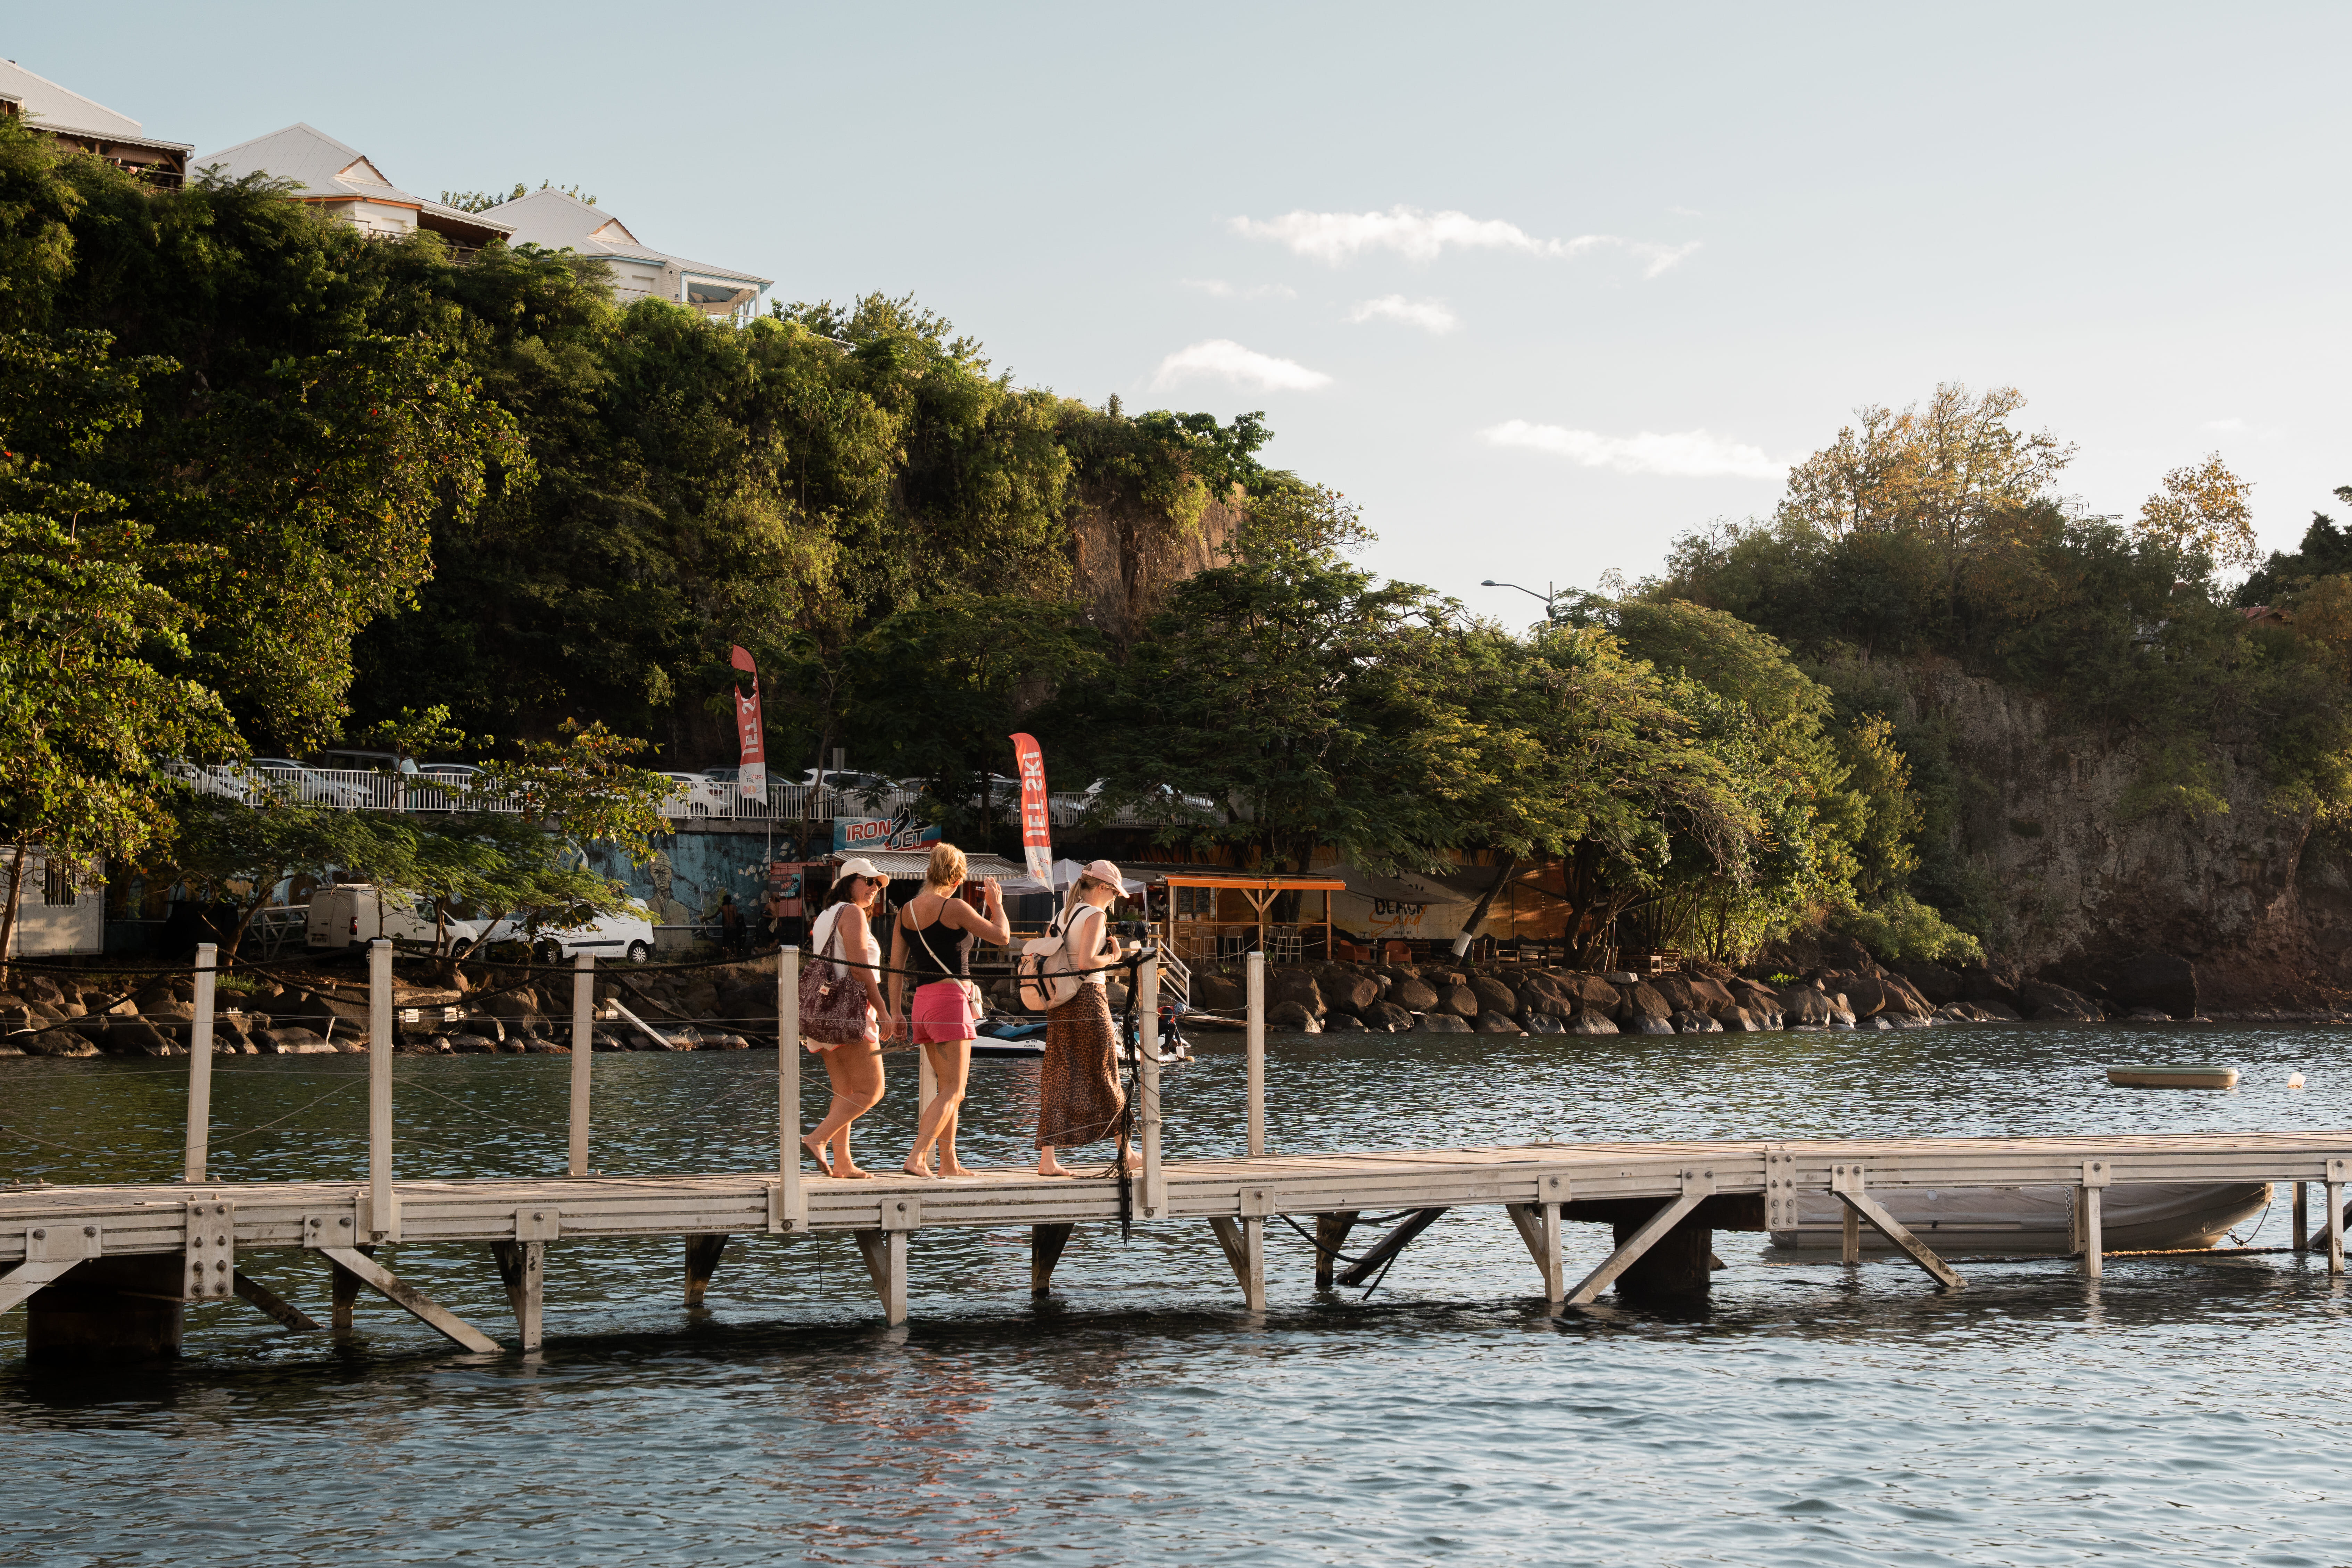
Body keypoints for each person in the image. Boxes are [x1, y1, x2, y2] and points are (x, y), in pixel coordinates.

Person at [888, 842, 1011, 1178]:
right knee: (956, 1090)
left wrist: (896, 1011)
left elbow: (896, 966)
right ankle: (918, 1156)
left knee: (948, 1089)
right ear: (957, 877)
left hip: (922, 1003)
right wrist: (996, 905)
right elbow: (1002, 937)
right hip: (950, 1002)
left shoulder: (906, 911)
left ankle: (949, 1162)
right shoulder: (954, 907)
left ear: (929, 871)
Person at [1036, 860, 1139, 1178]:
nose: (1115, 900)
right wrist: (1115, 957)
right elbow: (1086, 962)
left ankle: (1047, 1159)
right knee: (1105, 1070)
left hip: (1061, 1002)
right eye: (1113, 893)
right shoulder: (1095, 914)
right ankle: (1127, 1151)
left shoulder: (1061, 915)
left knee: (1058, 1074)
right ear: (1102, 888)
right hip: (1088, 1000)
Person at [799, 858, 898, 1179]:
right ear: (848, 881)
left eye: (878, 884)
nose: (875, 889)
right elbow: (859, 968)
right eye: (868, 881)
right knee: (872, 1090)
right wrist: (882, 1009)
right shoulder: (852, 913)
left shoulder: (827, 915)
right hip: (850, 1011)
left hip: (825, 1013)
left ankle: (843, 1163)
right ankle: (817, 1138)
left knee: (845, 1092)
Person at [718, 893, 747, 957]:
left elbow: (718, 917)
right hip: (733, 928)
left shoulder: (723, 908)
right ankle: (735, 957)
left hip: (726, 929)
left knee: (725, 945)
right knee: (733, 944)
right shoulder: (733, 907)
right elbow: (736, 916)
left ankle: (725, 958)